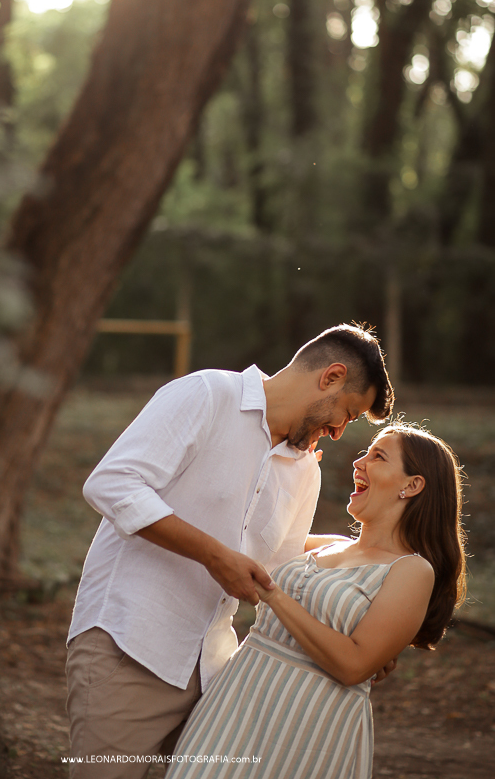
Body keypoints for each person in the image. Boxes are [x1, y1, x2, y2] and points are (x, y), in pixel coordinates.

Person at [65, 323, 394, 777]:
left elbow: (285, 574)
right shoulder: (207, 394)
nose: (339, 432)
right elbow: (112, 483)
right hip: (130, 647)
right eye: (348, 413)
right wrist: (213, 555)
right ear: (331, 376)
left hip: (218, 675)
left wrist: (367, 635)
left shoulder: (305, 472)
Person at [166, 424, 467, 779]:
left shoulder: (412, 570)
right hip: (237, 699)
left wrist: (273, 595)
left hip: (308, 723)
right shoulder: (327, 545)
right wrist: (292, 473)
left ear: (412, 485)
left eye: (378, 456)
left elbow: (354, 666)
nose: (360, 461)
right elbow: (246, 534)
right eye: (366, 452)